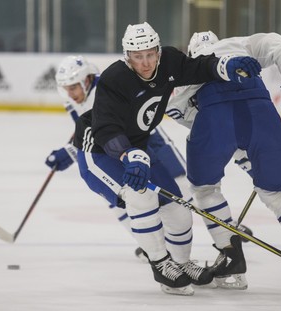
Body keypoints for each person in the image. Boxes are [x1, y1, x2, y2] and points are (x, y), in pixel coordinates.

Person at [73, 22, 262, 295]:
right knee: (141, 195)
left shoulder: (170, 61)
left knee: (178, 206)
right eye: (138, 56)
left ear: (158, 50)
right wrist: (129, 155)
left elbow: (200, 68)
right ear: (127, 55)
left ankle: (182, 263)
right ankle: (161, 265)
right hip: (99, 152)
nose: (146, 62)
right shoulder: (115, 79)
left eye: (150, 54)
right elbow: (106, 130)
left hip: (137, 148)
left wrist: (226, 66)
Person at [167, 30, 281, 293]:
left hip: (214, 119)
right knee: (278, 192)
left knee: (205, 188)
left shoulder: (190, 66)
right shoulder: (240, 44)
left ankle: (230, 254)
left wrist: (220, 135)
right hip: (262, 113)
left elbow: (176, 109)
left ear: (191, 50)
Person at [45, 55, 192, 263]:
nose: (71, 93)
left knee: (181, 192)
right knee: (122, 201)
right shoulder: (75, 100)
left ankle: (221, 226)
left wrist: (69, 152)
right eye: (67, 88)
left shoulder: (105, 91)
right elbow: (90, 137)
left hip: (148, 143)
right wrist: (71, 150)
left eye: (74, 87)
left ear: (86, 80)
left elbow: (109, 131)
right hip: (117, 152)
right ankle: (153, 246)